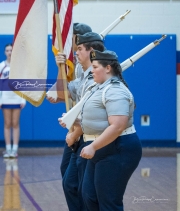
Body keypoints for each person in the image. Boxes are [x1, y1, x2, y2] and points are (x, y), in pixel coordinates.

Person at [61, 49, 142, 211]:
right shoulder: (99, 88)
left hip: (119, 148)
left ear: (108, 68)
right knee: (89, 196)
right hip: (103, 148)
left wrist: (92, 146)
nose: (92, 70)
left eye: (95, 66)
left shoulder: (115, 90)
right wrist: (75, 121)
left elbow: (118, 125)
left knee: (108, 202)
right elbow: (99, 119)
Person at [48, 32, 104, 211]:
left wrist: (74, 134)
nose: (76, 53)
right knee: (71, 183)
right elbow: (59, 93)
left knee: (82, 188)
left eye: (79, 49)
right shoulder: (83, 76)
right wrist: (60, 67)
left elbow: (92, 114)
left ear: (91, 50)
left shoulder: (97, 77)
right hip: (79, 135)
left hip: (90, 137)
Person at [47, 23, 92, 178]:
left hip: (87, 129)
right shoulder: (77, 64)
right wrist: (61, 68)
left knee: (76, 180)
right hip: (76, 125)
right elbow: (67, 92)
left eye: (70, 37)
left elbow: (89, 102)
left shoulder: (91, 67)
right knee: (67, 172)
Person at [0, 44, 26, 158]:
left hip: (16, 98)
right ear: (5, 52)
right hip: (5, 98)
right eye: (7, 50)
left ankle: (14, 150)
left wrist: (23, 99)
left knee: (15, 123)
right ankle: (8, 149)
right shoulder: (1, 66)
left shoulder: (19, 66)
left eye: (11, 50)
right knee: (7, 123)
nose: (9, 52)